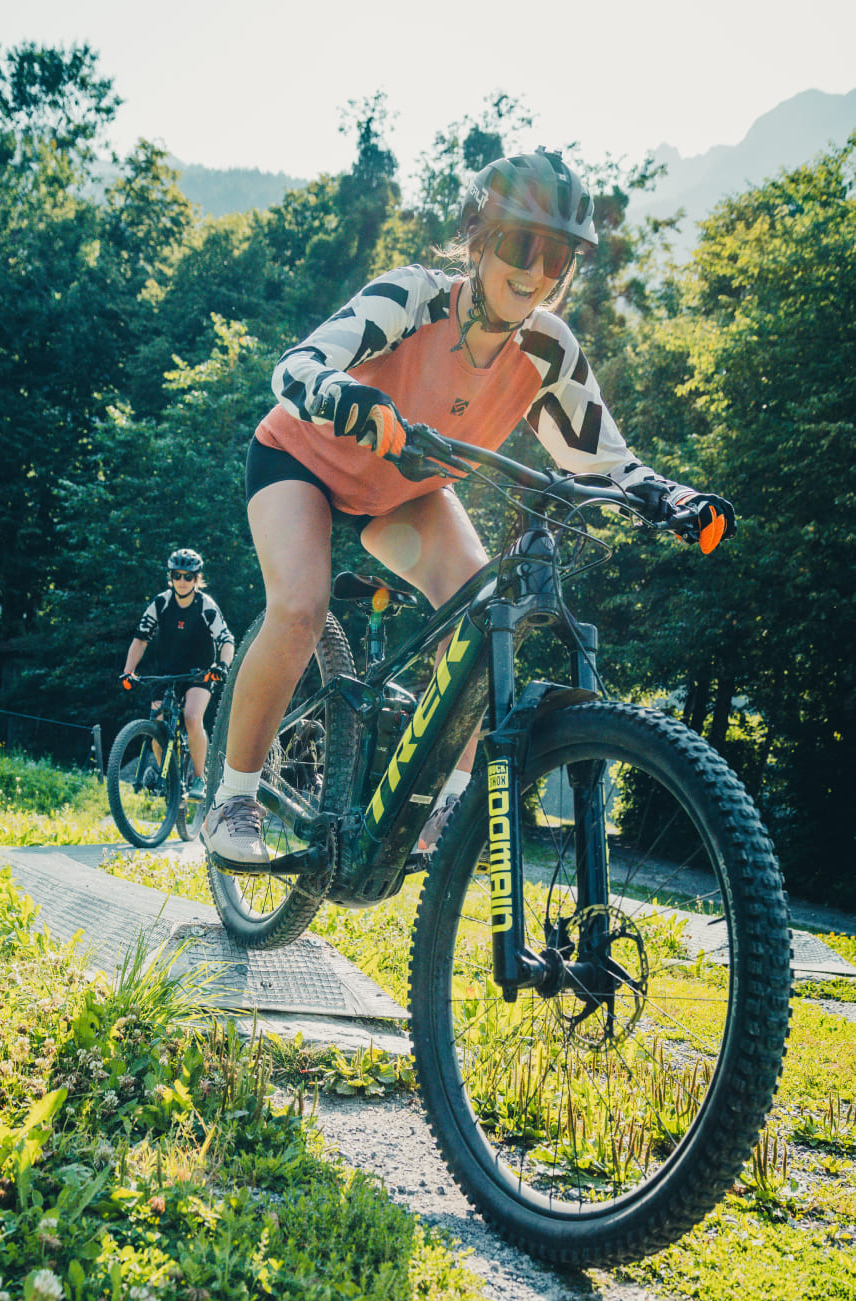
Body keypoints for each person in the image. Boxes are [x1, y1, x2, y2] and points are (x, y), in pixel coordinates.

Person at [201, 148, 735, 867]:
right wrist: (349, 395)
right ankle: (234, 798)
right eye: (521, 243)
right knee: (299, 604)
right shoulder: (414, 298)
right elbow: (295, 367)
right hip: (303, 461)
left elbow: (600, 454)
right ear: (480, 240)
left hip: (405, 490)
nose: (537, 270)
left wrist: (671, 496)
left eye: (558, 256)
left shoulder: (548, 347)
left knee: (490, 611)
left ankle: (448, 807)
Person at [121, 547, 234, 794]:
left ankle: (198, 778)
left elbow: (226, 640)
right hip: (166, 673)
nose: (182, 581)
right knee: (157, 726)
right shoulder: (160, 603)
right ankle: (169, 780)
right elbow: (140, 640)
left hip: (200, 674)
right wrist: (128, 671)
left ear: (197, 579)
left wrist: (222, 666)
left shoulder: (206, 605)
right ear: (171, 577)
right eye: (177, 575)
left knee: (192, 717)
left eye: (188, 576)